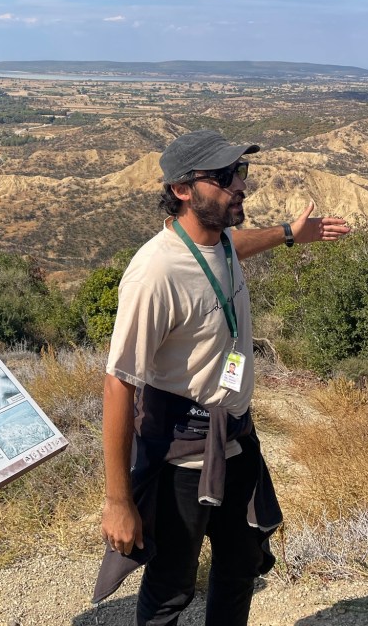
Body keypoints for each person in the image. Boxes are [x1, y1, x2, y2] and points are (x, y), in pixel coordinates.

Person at [95, 130, 350, 626]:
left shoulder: (221, 242)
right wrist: (118, 500)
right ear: (182, 189)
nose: (240, 186)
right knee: (171, 587)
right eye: (224, 177)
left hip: (236, 436)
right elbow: (118, 384)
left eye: (241, 172)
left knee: (240, 565)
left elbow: (236, 245)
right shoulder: (155, 273)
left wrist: (290, 233)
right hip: (183, 457)